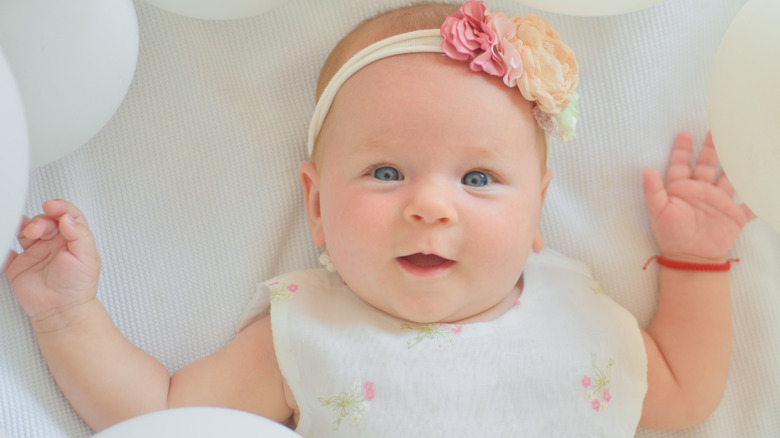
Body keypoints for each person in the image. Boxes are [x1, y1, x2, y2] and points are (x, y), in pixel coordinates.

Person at [2, 1, 755, 436]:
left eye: (481, 178)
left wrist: (695, 265)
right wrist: (69, 315)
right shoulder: (303, 332)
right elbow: (163, 416)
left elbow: (684, 393)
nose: (430, 205)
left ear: (539, 212)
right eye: (386, 172)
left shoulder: (579, 311)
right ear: (319, 206)